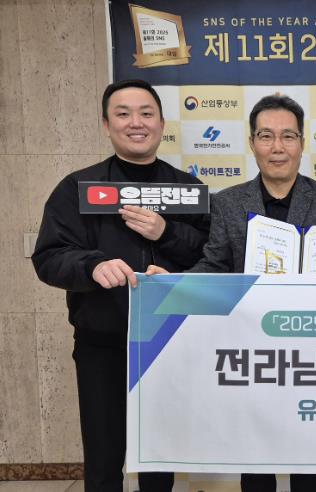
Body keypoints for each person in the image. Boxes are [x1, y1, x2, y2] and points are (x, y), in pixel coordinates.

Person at [156, 94, 316, 492]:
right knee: (255, 461)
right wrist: (170, 284)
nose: (277, 147)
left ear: (302, 142)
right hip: (252, 350)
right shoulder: (228, 202)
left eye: (288, 136)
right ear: (252, 143)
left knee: (308, 462)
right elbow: (214, 265)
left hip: (311, 350)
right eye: (266, 136)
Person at [32, 79, 210, 492]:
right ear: (106, 124)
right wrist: (91, 266)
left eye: (146, 113)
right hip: (102, 346)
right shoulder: (77, 188)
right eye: (123, 114)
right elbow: (49, 257)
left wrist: (166, 233)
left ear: (161, 123)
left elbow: (212, 255)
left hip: (168, 344)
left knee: (158, 462)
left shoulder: (188, 189)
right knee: (103, 461)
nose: (136, 123)